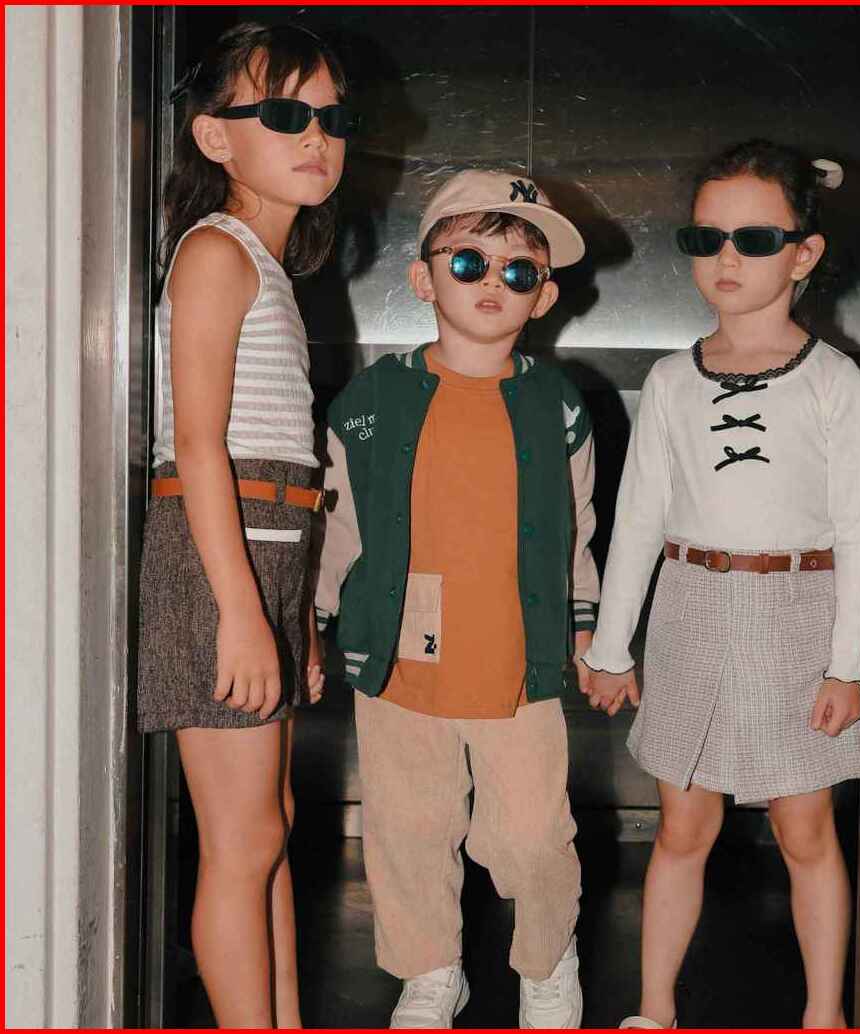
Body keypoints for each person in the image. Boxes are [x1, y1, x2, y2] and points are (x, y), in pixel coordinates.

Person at [580, 139, 860, 1029]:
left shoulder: (834, 380)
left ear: (804, 253)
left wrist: (848, 667)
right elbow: (637, 519)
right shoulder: (671, 380)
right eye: (706, 239)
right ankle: (654, 1009)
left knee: (804, 831)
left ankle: (825, 1014)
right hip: (691, 609)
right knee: (682, 828)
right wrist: (611, 647)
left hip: (798, 613)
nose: (726, 259)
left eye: (754, 238)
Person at [315, 169, 599, 1028]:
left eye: (519, 271)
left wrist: (589, 630)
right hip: (400, 647)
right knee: (408, 824)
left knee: (532, 834)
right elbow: (341, 524)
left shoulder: (557, 406)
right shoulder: (370, 402)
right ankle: (430, 968)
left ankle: (546, 959)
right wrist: (312, 619)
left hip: (518, 653)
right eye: (469, 262)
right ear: (423, 277)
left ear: (544, 295)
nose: (492, 283)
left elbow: (578, 527)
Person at [136, 22, 355, 1027]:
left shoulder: (266, 265)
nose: (316, 136)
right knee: (242, 839)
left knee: (271, 825)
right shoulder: (216, 253)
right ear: (215, 136)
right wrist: (237, 613)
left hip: (264, 556)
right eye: (284, 113)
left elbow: (279, 475)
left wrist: (290, 615)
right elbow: (197, 448)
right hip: (215, 564)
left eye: (331, 118)